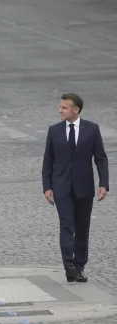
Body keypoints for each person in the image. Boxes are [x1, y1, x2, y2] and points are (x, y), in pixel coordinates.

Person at [42, 93, 109, 283]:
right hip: (61, 187)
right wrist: (47, 186)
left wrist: (103, 184)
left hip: (84, 188)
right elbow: (48, 160)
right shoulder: (54, 130)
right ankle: (69, 265)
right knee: (67, 225)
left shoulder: (92, 129)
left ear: (76, 110)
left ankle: (79, 267)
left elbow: (101, 158)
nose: (60, 110)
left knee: (82, 229)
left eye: (64, 107)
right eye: (60, 106)